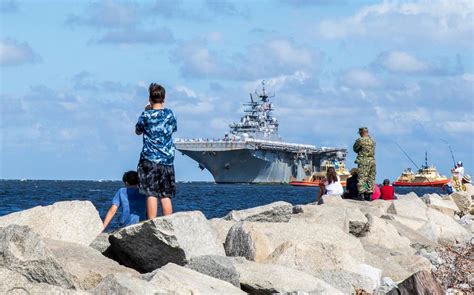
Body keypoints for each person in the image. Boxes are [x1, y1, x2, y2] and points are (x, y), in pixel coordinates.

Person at [136, 83, 177, 219]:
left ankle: (151, 224)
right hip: (167, 160)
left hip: (149, 159)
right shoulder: (170, 114)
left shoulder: (145, 115)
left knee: (151, 194)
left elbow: (138, 131)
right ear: (163, 98)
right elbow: (173, 128)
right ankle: (169, 224)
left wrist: (148, 111)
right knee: (166, 195)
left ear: (150, 98)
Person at [353, 127, 376, 201]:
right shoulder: (372, 140)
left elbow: (355, 149)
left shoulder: (360, 140)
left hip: (363, 161)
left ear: (361, 133)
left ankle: (362, 195)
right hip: (372, 161)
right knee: (371, 177)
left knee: (362, 178)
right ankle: (369, 195)